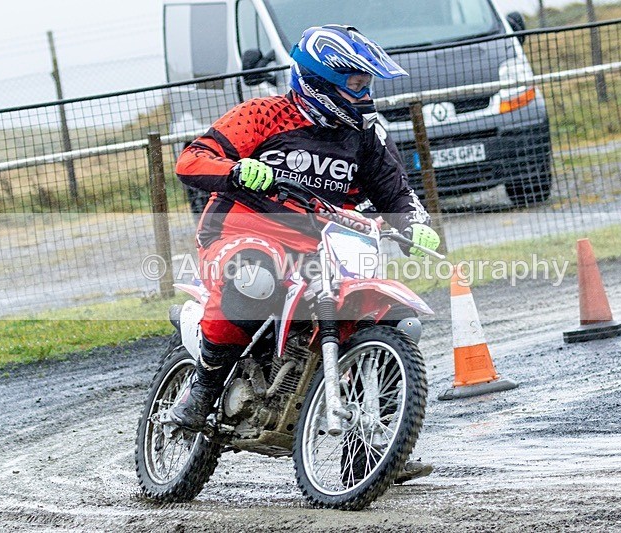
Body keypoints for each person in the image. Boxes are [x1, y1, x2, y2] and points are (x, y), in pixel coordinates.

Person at [171, 24, 440, 483]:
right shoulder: (263, 114)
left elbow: (400, 195)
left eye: (366, 83)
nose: (364, 93)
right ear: (319, 81)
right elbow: (192, 160)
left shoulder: (366, 135)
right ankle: (203, 389)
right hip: (242, 230)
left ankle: (373, 452)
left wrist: (416, 225)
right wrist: (239, 171)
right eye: (355, 83)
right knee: (254, 278)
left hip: (325, 246)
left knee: (392, 321)